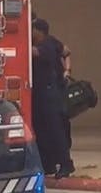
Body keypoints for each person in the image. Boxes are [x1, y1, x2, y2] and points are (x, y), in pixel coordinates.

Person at [31, 19, 75, 178]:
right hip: (41, 94)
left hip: (50, 94)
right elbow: (66, 50)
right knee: (42, 130)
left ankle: (66, 164)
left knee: (55, 130)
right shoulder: (54, 41)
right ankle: (48, 164)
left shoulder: (47, 44)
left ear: (39, 31)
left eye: (32, 29)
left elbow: (35, 52)